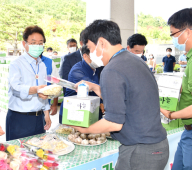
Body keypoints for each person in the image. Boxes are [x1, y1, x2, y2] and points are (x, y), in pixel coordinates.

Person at [72, 20, 168, 170]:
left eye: (90, 48)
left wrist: (84, 129)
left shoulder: (111, 69)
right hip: (156, 146)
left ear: (102, 43)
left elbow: (114, 123)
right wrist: (96, 87)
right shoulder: (135, 60)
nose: (91, 54)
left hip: (139, 152)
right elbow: (129, 98)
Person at [6, 25, 51, 141]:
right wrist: (36, 89)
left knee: (38, 154)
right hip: (20, 119)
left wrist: (46, 114)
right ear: (24, 43)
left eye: (41, 43)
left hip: (39, 119)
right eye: (33, 42)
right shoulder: (16, 64)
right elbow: (16, 88)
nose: (38, 46)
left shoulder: (42, 65)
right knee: (18, 155)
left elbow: (44, 92)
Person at [160, 8, 192, 170]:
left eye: (173, 34)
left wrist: (171, 114)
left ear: (187, 32)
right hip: (188, 131)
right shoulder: (190, 58)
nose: (173, 40)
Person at [59, 45, 104, 123]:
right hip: (73, 114)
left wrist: (101, 102)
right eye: (95, 56)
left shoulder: (97, 69)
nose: (99, 58)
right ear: (85, 56)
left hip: (90, 112)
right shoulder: (77, 71)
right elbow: (93, 87)